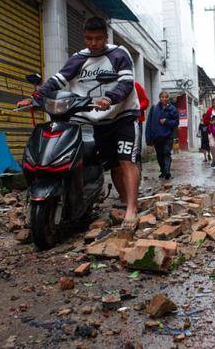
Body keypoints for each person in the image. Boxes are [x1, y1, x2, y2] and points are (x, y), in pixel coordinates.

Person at [16, 16, 141, 230]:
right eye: (89, 38)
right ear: (84, 37)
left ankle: (132, 208)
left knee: (126, 161)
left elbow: (127, 83)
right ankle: (120, 199)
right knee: (112, 164)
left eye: (98, 38)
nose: (93, 43)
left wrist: (110, 98)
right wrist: (36, 98)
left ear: (106, 36)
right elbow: (58, 80)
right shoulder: (78, 58)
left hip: (123, 116)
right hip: (97, 120)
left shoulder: (119, 54)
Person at [145, 91, 179, 179]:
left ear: (168, 98)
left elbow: (176, 122)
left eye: (166, 97)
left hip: (168, 136)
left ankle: (167, 171)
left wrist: (167, 121)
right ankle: (163, 170)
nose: (164, 99)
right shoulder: (154, 108)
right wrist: (148, 137)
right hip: (157, 136)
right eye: (162, 97)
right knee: (159, 155)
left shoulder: (172, 109)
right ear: (160, 98)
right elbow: (149, 123)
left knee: (167, 152)